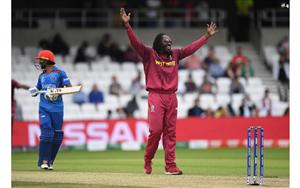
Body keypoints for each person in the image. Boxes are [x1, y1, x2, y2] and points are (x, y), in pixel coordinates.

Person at [120, 8, 218, 175]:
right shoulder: (149, 54)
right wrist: (127, 26)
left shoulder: (176, 55)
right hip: (156, 96)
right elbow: (136, 43)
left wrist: (206, 36)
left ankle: (170, 166)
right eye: (166, 42)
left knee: (171, 133)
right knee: (156, 131)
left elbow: (191, 48)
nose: (170, 44)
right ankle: (148, 159)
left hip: (172, 97)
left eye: (170, 42)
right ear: (158, 44)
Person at [28, 50, 72, 170]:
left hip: (57, 109)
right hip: (44, 108)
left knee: (57, 135)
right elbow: (37, 89)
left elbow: (70, 89)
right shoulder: (41, 76)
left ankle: (50, 162)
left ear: (48, 61)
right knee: (47, 131)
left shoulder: (60, 72)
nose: (39, 62)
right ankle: (44, 161)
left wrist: (56, 92)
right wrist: (34, 91)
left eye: (41, 60)